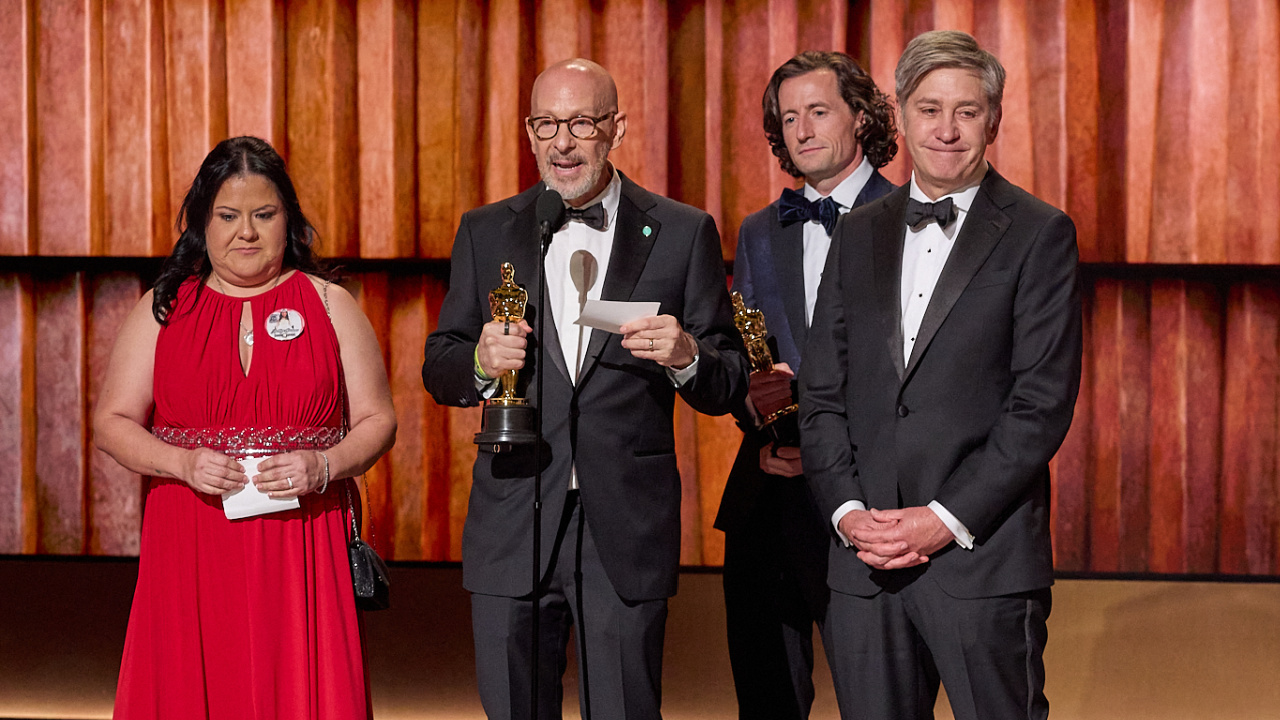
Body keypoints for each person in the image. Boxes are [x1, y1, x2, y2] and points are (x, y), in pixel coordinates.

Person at [422, 58, 747, 720]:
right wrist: (481, 361)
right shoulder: (488, 230)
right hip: (514, 519)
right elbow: (440, 364)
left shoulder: (682, 232)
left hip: (623, 526)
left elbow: (728, 379)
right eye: (546, 124)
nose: (561, 143)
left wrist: (687, 354)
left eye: (580, 123)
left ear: (617, 127)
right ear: (528, 131)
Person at [798, 31, 1082, 720]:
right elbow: (822, 395)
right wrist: (848, 513)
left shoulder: (1041, 233)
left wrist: (942, 520)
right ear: (903, 116)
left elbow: (1039, 404)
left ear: (995, 119)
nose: (947, 130)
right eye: (929, 109)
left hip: (981, 562)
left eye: (967, 111)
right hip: (862, 566)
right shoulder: (858, 232)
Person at [93, 136, 397, 719]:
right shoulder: (163, 308)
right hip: (191, 538)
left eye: (265, 215)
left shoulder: (332, 305)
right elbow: (111, 423)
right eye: (228, 216)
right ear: (202, 222)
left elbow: (378, 420)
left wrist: (324, 465)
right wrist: (180, 462)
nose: (247, 233)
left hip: (302, 537)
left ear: (290, 219)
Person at [715, 51, 898, 720]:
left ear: (861, 117)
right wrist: (755, 411)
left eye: (818, 111)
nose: (801, 129)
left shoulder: (914, 217)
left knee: (879, 697)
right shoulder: (760, 230)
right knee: (765, 698)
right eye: (788, 117)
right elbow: (745, 352)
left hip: (871, 496)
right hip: (770, 489)